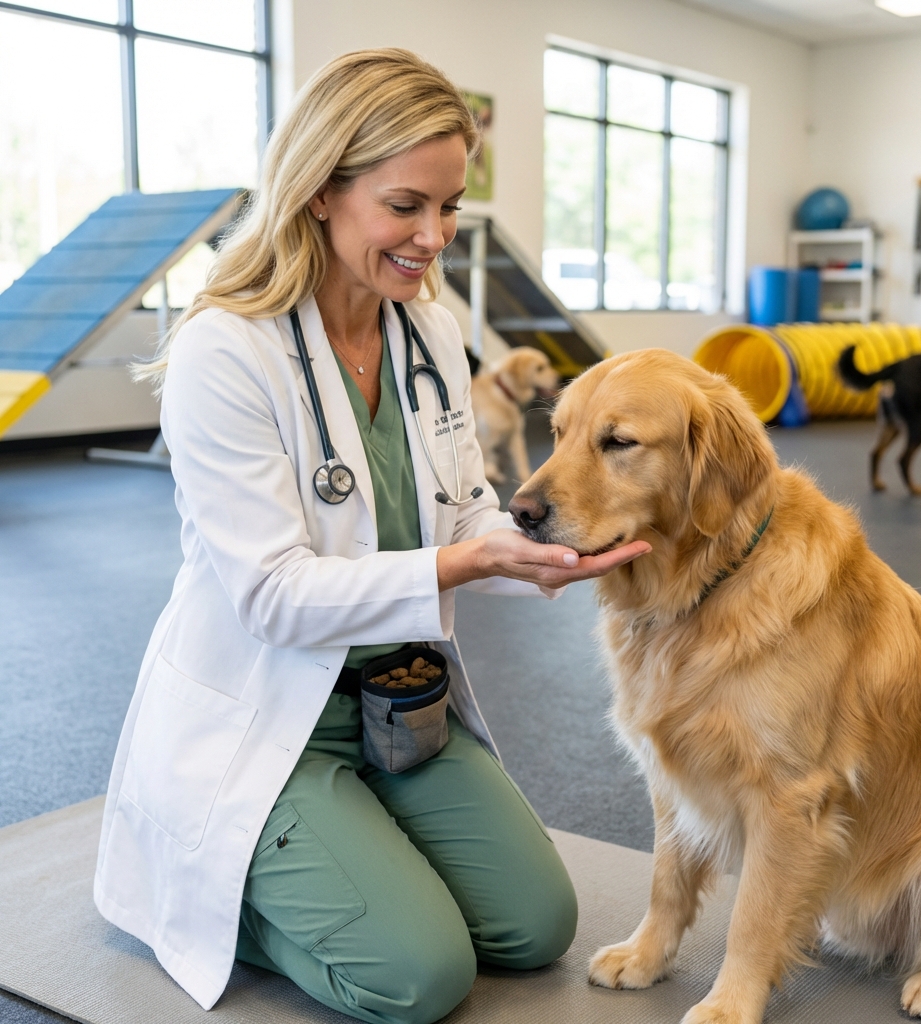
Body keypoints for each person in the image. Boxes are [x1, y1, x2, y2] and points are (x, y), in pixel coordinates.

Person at [93, 49, 650, 1024]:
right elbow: (270, 592)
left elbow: (464, 506)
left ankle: (361, 836)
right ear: (318, 190)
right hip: (264, 719)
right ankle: (210, 893)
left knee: (535, 925)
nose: (433, 237)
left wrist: (540, 558)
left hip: (397, 706)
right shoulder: (225, 348)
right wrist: (465, 560)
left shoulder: (427, 332)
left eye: (450, 209)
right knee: (417, 976)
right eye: (406, 206)